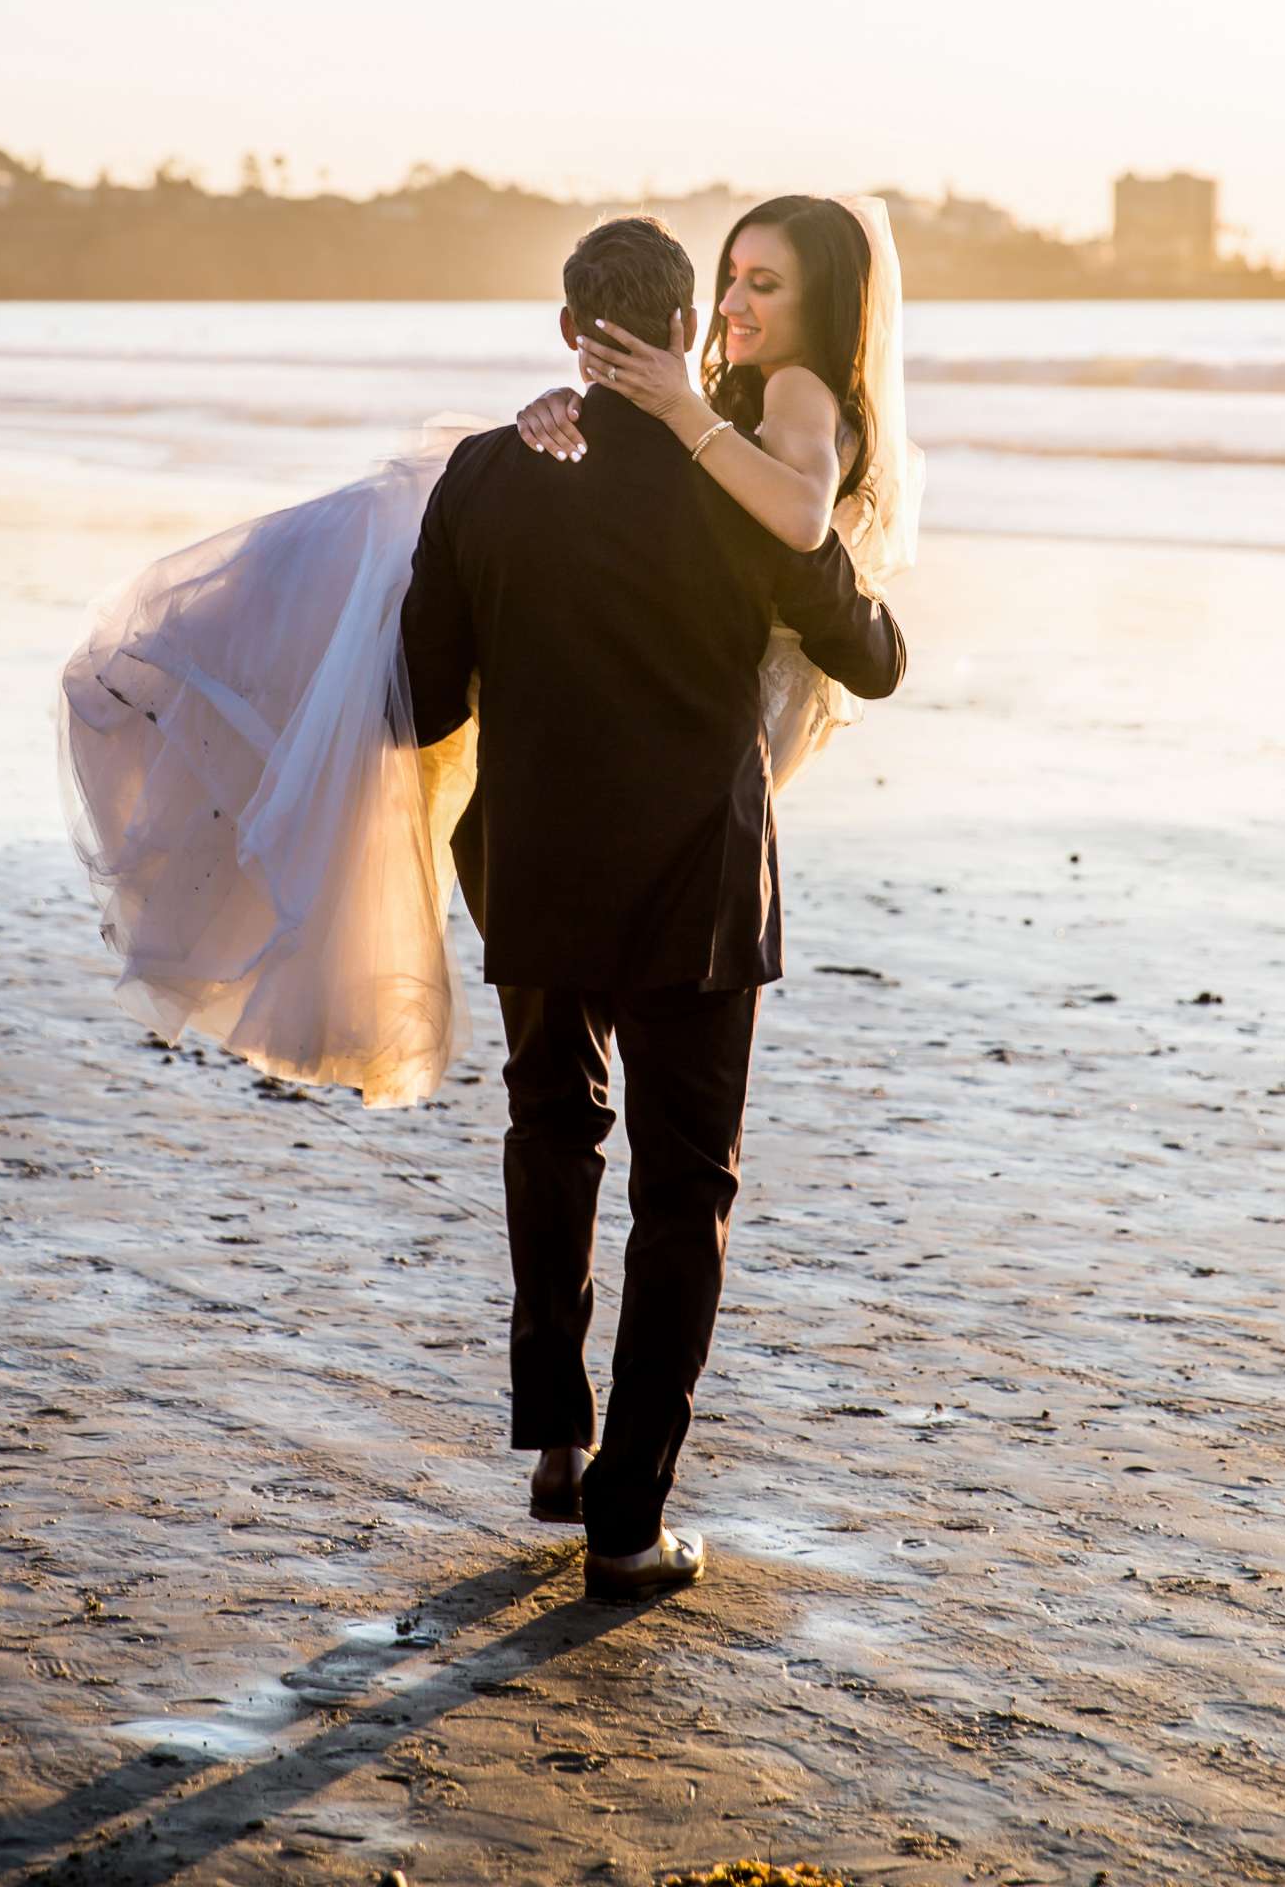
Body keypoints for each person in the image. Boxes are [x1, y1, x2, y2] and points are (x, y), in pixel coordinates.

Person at [396, 215, 906, 1599]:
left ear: (573, 333)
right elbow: (873, 655)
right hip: (696, 880)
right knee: (686, 1194)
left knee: (551, 1125)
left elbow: (427, 697)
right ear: (685, 330)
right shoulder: (728, 484)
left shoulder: (490, 473)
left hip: (535, 864)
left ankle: (557, 1437)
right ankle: (627, 1522)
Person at [517, 194, 925, 786]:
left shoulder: (795, 385)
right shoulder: (776, 392)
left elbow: (804, 520)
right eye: (732, 277)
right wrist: (574, 405)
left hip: (726, 720)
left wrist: (676, 403)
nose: (730, 303)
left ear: (821, 302)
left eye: (763, 284)